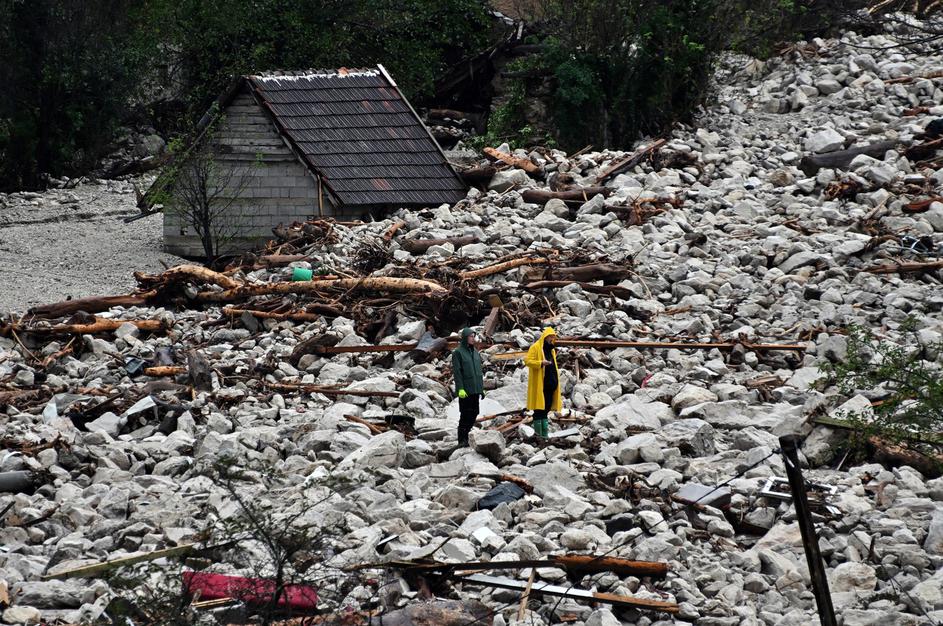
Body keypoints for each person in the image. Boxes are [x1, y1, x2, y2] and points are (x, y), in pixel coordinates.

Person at [525, 327, 561, 437]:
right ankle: (539, 434)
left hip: (551, 385)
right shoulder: (535, 347)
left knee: (547, 408)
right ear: (545, 337)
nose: (552, 339)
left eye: (553, 337)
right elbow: (527, 361)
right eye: (550, 337)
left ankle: (544, 434)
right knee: (539, 409)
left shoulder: (552, 350)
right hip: (541, 385)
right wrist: (540, 363)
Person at [452, 327, 484, 446]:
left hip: (475, 389)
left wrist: (481, 388)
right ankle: (462, 440)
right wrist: (460, 388)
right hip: (465, 390)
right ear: (465, 338)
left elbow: (479, 371)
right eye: (471, 336)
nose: (473, 338)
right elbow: (457, 372)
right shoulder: (458, 353)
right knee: (465, 414)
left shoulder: (475, 352)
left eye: (473, 336)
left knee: (475, 412)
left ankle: (467, 434)